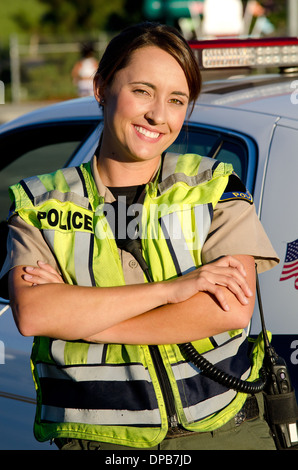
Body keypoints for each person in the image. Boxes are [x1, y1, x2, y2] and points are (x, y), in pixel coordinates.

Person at [1, 22, 279, 450]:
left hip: (228, 432)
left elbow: (227, 311)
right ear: (101, 87)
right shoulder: (39, 203)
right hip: (102, 442)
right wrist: (173, 290)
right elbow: (37, 314)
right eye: (143, 91)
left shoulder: (215, 185)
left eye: (176, 100)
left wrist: (87, 324)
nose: (158, 115)